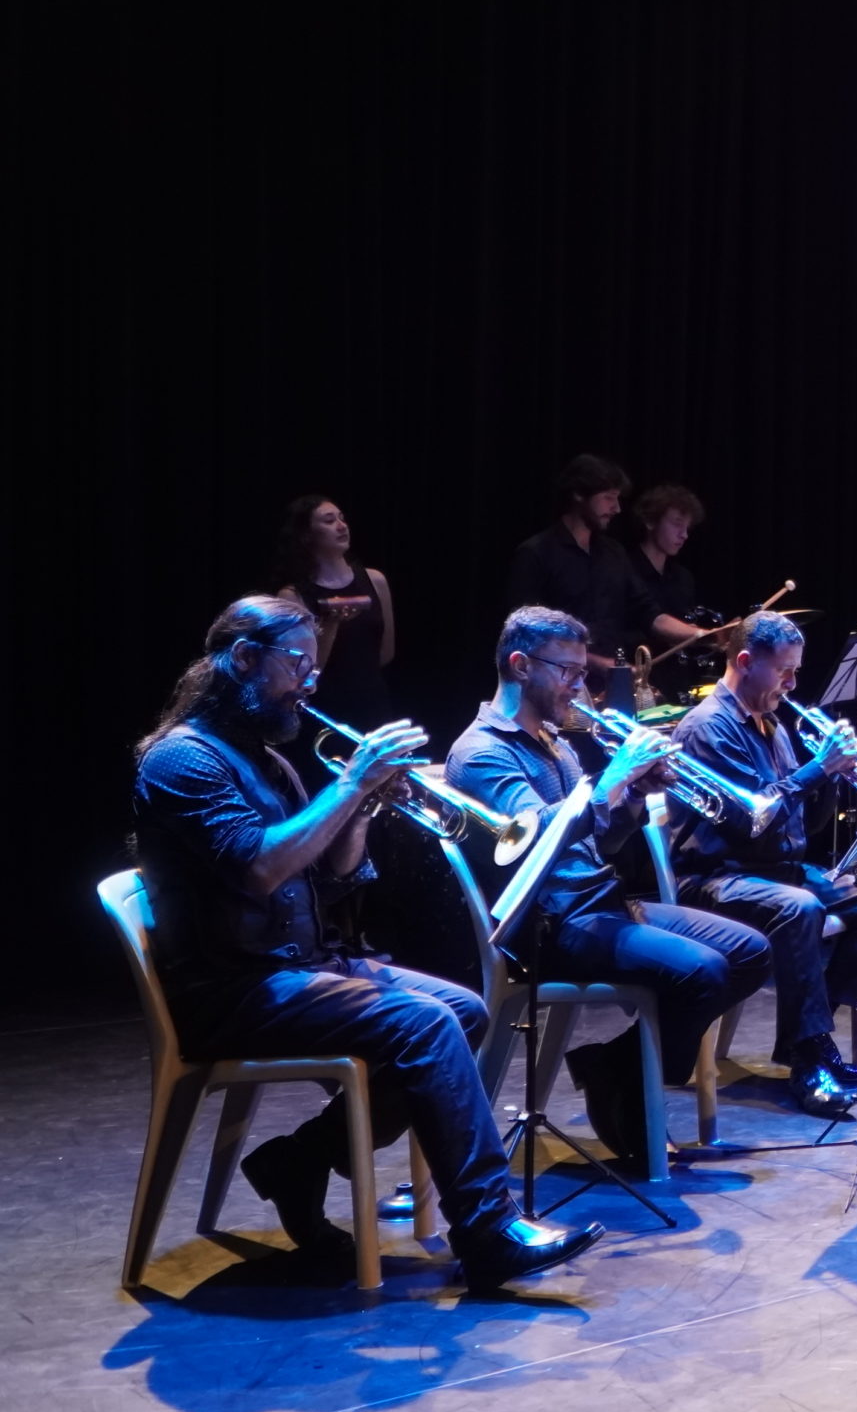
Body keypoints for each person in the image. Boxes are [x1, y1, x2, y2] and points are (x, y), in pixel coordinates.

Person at [131, 596, 604, 1291]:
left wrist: (363, 806)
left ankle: (299, 1159)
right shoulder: (181, 760)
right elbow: (258, 868)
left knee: (465, 1010)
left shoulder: (268, 761)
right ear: (245, 659)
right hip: (230, 986)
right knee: (424, 1023)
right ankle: (488, 1230)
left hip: (297, 965)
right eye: (298, 662)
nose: (311, 679)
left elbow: (332, 879)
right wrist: (351, 781)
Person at [445, 607, 772, 1159]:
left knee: (749, 951)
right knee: (703, 972)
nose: (579, 686)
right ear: (521, 666)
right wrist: (614, 777)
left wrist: (635, 795)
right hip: (548, 923)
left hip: (600, 901)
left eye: (581, 672)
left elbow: (601, 841)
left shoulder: (554, 740)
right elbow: (534, 837)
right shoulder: (482, 751)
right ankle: (630, 1086)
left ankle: (613, 1068)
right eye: (568, 672)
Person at [671, 611, 857, 1118]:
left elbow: (804, 823)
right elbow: (747, 821)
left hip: (774, 871)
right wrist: (817, 769)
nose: (793, 683)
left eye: (796, 671)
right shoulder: (709, 727)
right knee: (799, 908)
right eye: (784, 671)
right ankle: (809, 1057)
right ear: (745, 662)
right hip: (716, 875)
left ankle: (815, 1039)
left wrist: (834, 776)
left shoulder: (772, 724)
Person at [507, 455, 689, 705]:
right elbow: (528, 637)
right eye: (608, 498)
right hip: (555, 694)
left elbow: (648, 613)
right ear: (579, 495)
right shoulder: (536, 554)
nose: (617, 508)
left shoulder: (614, 553)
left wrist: (700, 634)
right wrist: (596, 663)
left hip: (609, 694)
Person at [269, 495, 397, 746]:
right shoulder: (293, 596)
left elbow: (385, 653)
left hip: (373, 707)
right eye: (329, 521)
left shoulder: (375, 580)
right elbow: (304, 672)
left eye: (342, 518)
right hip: (325, 712)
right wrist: (331, 626)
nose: (341, 526)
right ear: (307, 535)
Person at [629, 482, 707, 644]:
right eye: (677, 524)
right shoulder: (624, 569)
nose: (684, 535)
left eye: (687, 528)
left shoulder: (683, 578)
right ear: (650, 521)